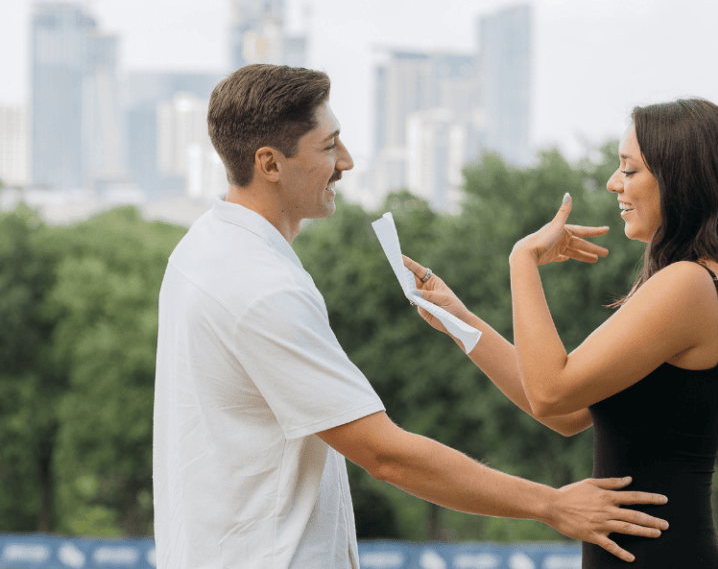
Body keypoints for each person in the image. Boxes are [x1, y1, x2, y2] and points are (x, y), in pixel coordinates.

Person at [152, 63, 670, 569]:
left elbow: (561, 407)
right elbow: (386, 455)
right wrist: (552, 506)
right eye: (330, 146)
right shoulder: (262, 288)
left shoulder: (202, 250)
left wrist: (460, 321)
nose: (348, 162)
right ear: (269, 163)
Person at [405, 97, 718, 568]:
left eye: (630, 170)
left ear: (681, 178)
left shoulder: (691, 284)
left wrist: (523, 261)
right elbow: (568, 411)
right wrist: (459, 320)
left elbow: (550, 391)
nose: (613, 183)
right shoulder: (699, 281)